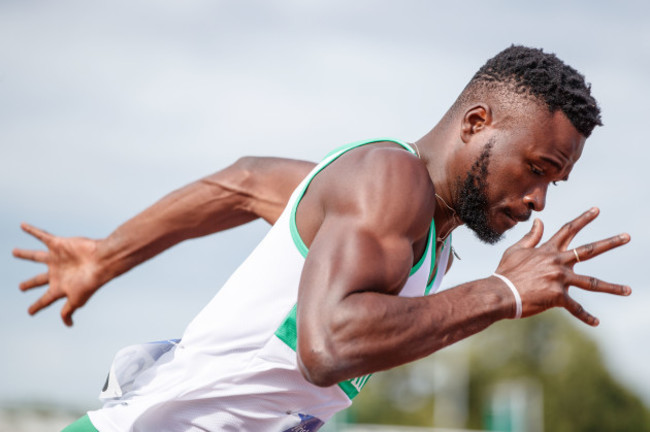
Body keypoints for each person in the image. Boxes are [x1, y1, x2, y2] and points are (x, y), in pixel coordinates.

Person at [13, 45, 631, 431]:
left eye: (556, 183)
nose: (538, 200)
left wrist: (105, 256)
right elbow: (328, 346)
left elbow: (244, 181)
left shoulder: (415, 223)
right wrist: (502, 293)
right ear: (477, 123)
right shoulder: (391, 178)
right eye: (537, 169)